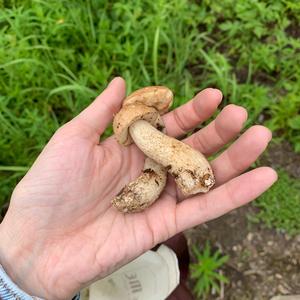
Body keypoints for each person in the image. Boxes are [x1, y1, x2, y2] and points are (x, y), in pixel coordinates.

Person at [0, 77, 277, 300]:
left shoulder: (149, 132)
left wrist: (22, 277)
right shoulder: (137, 130)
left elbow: (158, 147)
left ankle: (194, 177)